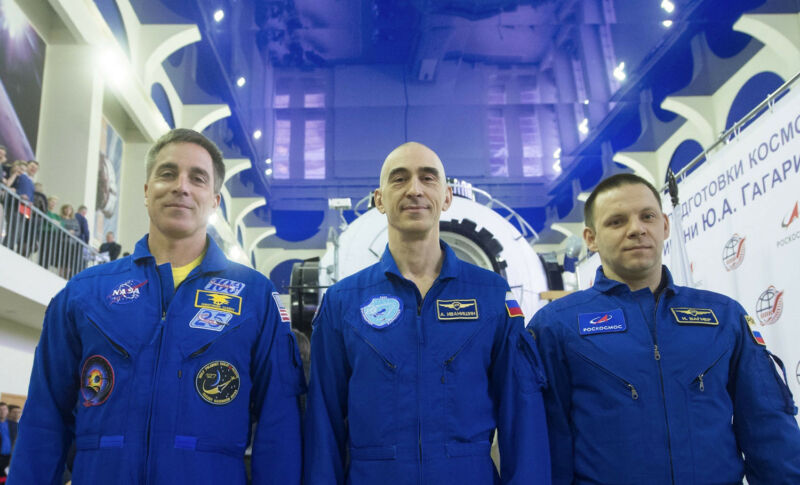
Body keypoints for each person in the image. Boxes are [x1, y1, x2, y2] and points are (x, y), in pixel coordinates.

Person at [9, 129, 306, 485]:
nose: (181, 186)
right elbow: (44, 419)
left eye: (197, 178)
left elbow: (279, 426)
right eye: (168, 173)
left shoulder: (255, 297)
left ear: (214, 200)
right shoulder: (84, 294)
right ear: (147, 190)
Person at [529, 173, 800, 484]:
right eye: (616, 221)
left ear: (665, 225)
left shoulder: (723, 316)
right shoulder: (556, 326)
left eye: (648, 216)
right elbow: (548, 444)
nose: (636, 229)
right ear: (591, 238)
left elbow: (768, 426)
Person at [303, 142, 550, 484]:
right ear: (379, 199)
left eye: (428, 178)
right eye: (399, 179)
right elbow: (323, 422)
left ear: (446, 197)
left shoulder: (492, 295)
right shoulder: (343, 302)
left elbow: (522, 416)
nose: (414, 189)